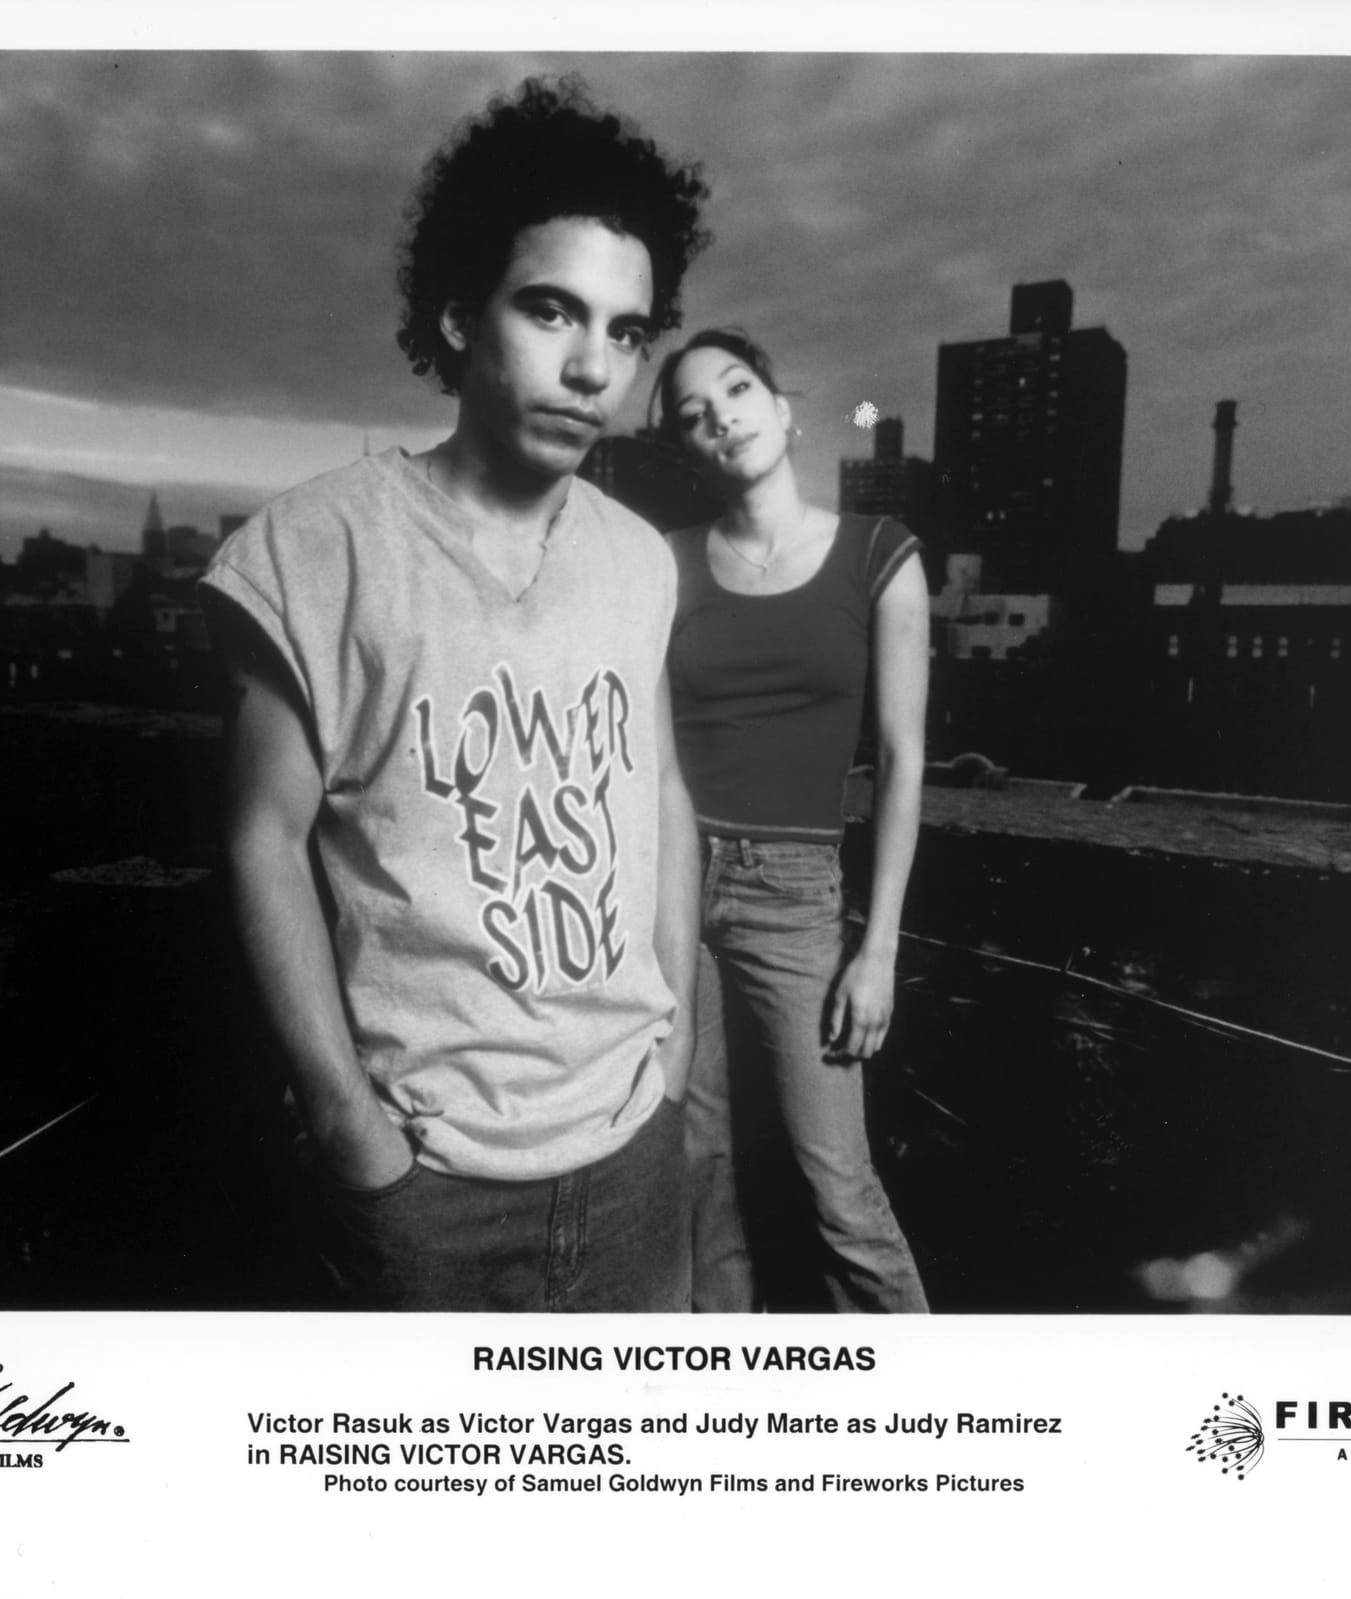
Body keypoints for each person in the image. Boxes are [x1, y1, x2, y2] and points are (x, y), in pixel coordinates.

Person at [200, 77, 712, 1311]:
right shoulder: (317, 546)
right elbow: (259, 834)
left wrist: (677, 1043)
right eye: (551, 310)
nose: (594, 366)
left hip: (633, 1146)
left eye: (628, 332)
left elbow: (663, 802)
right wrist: (348, 1128)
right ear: (456, 316)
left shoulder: (639, 560)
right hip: (426, 1177)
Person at [652, 329, 931, 1313]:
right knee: (692, 1163)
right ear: (687, 451)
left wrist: (877, 947)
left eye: (734, 389)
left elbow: (900, 761)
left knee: (836, 1186)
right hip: (668, 886)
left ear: (781, 408)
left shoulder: (878, 554)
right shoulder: (665, 565)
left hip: (795, 892)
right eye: (691, 414)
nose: (719, 415)